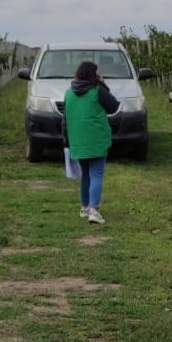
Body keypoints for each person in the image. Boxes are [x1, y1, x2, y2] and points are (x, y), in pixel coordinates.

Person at [63, 60, 119, 224]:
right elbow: (114, 106)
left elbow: (64, 121)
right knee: (96, 174)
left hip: (77, 140)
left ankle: (84, 207)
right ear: (93, 74)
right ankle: (94, 210)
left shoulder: (68, 93)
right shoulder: (97, 91)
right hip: (96, 139)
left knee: (85, 175)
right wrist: (102, 83)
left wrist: (67, 141)